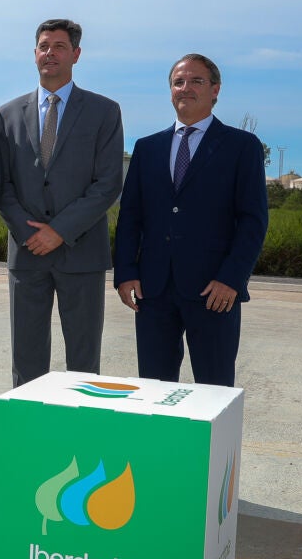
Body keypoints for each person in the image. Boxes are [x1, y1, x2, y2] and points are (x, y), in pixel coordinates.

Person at [114, 54, 268, 387]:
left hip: (214, 290)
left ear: (215, 90)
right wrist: (125, 273)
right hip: (153, 290)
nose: (186, 88)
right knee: (154, 389)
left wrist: (232, 279)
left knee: (214, 390)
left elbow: (253, 221)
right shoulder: (147, 148)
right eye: (178, 82)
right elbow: (130, 217)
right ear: (170, 90)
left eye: (196, 81)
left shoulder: (241, 147)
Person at [0, 20, 124, 386]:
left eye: (60, 46)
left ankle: (79, 424)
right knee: (26, 359)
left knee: (84, 362)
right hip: (27, 253)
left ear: (76, 54)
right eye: (44, 46)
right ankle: (27, 423)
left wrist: (59, 231)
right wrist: (27, 232)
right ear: (34, 54)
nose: (50, 53)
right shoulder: (6, 115)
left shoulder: (104, 111)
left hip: (81, 254)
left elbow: (107, 184)